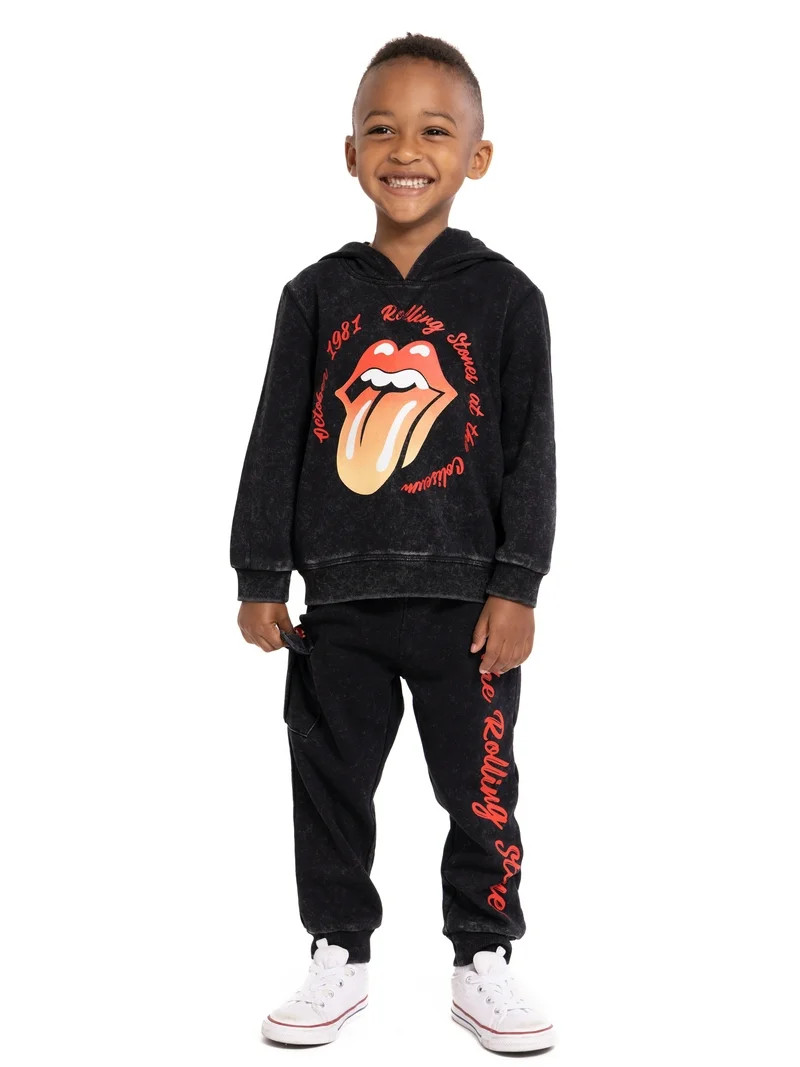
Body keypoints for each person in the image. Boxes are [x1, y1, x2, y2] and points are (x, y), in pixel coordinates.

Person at [230, 32, 558, 1054]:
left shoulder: (507, 298)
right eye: (381, 129)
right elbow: (276, 439)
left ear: (476, 156)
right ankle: (338, 948)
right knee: (329, 781)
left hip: (468, 608)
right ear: (349, 152)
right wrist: (259, 571)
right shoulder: (315, 294)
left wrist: (518, 584)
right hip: (339, 602)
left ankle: (483, 954)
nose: (405, 149)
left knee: (480, 788)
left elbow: (530, 450)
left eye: (434, 131)